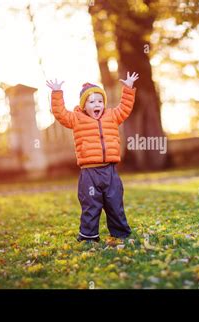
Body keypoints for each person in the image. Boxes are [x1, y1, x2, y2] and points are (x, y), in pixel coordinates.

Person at [46, 72, 139, 241]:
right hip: (90, 174)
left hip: (110, 171)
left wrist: (128, 88)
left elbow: (125, 108)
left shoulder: (112, 116)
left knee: (115, 203)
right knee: (91, 204)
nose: (97, 104)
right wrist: (57, 93)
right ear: (83, 105)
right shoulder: (76, 119)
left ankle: (120, 233)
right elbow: (60, 113)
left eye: (100, 101)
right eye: (91, 101)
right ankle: (88, 236)